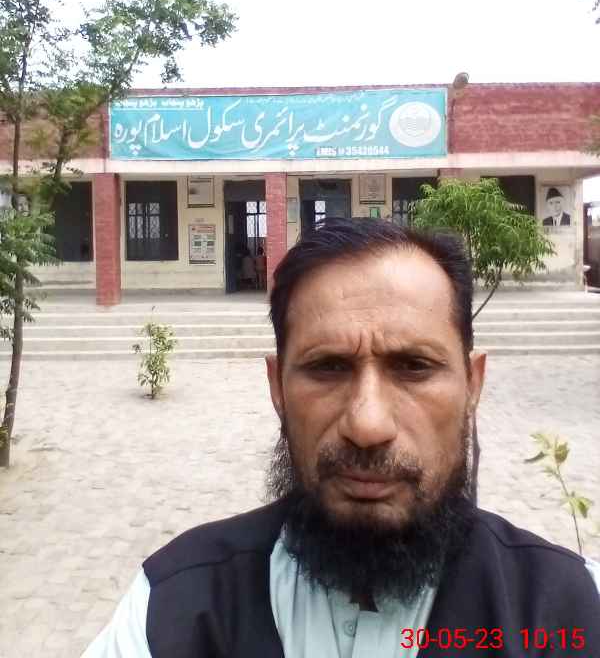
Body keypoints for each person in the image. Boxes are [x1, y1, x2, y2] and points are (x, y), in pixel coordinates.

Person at [82, 218, 600, 658]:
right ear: (277, 387)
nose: (367, 425)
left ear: (473, 385)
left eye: (414, 367)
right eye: (328, 367)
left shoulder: (570, 610)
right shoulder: (172, 608)